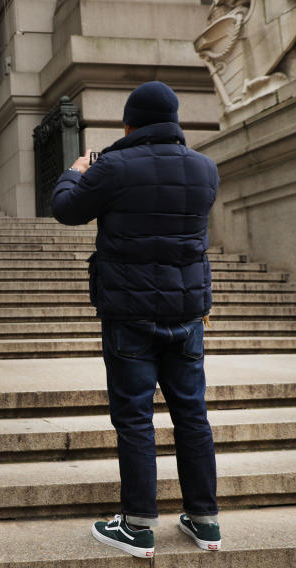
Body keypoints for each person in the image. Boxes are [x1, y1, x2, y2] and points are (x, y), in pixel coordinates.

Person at [51, 82, 222, 559]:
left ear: (130, 123)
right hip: (187, 314)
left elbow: (66, 210)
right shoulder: (205, 169)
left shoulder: (113, 168)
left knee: (134, 419)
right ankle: (206, 521)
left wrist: (74, 172)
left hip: (129, 313)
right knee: (192, 416)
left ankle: (138, 525)